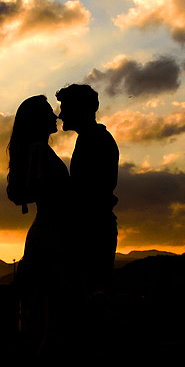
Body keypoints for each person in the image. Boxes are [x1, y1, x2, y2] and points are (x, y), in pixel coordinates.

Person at [6, 95, 70, 343]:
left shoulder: (34, 152)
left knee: (45, 316)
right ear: (36, 120)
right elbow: (47, 190)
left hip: (43, 232)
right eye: (48, 112)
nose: (54, 116)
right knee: (53, 318)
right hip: (52, 234)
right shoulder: (40, 151)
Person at [55, 84, 118, 296]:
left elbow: (89, 193)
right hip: (94, 228)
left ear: (80, 109)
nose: (61, 114)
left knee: (90, 296)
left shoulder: (95, 141)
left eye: (65, 108)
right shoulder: (90, 139)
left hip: (93, 231)